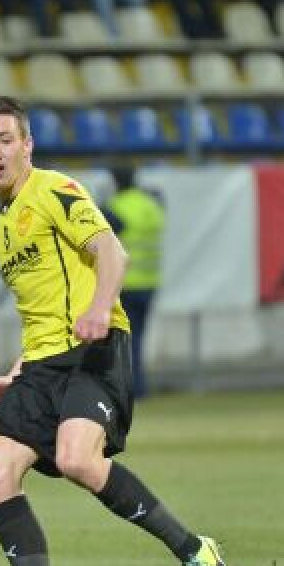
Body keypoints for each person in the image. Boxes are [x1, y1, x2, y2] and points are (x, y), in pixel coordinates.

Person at [0, 95, 232, 566]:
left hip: (94, 349)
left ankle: (192, 548)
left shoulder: (54, 189)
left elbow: (113, 253)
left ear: (27, 145)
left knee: (77, 460)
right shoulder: (1, 230)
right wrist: (16, 371)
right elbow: (39, 311)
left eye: (4, 140)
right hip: (41, 364)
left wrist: (98, 307)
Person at [102, 164, 164, 400]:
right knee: (137, 338)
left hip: (125, 283)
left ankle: (129, 388)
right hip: (150, 282)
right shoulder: (151, 204)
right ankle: (139, 386)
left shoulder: (116, 207)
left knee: (123, 340)